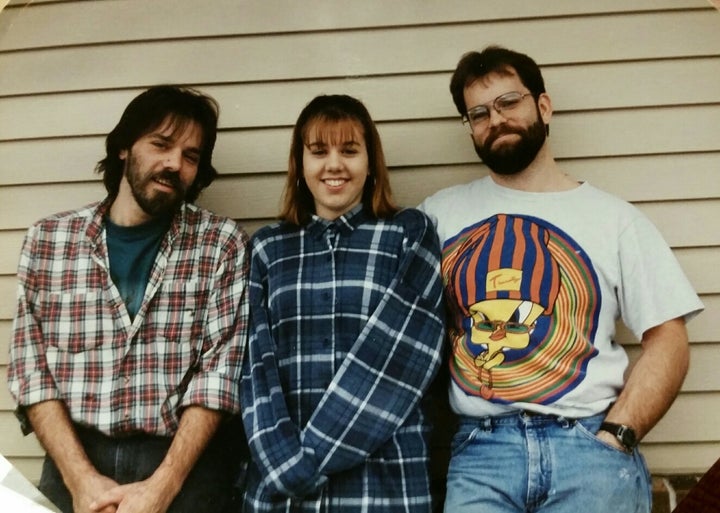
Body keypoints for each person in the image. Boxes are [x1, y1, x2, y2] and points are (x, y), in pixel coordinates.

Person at [418, 46, 704, 513]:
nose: (496, 119)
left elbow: (668, 338)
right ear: (469, 128)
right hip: (480, 454)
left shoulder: (614, 219)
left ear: (543, 107)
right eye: (479, 113)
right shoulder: (437, 216)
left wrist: (618, 434)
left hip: (588, 448)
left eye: (509, 102)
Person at [7, 85, 249, 513]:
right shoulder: (49, 242)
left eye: (191, 156)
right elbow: (32, 372)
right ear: (124, 148)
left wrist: (161, 489)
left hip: (182, 462)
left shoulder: (221, 244)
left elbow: (219, 376)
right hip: (76, 456)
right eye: (161, 144)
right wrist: (81, 481)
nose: (175, 163)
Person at [240, 94, 446, 512]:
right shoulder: (267, 249)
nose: (334, 165)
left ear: (371, 162)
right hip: (283, 486)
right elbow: (254, 369)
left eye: (349, 150)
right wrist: (283, 465)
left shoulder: (408, 236)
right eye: (319, 152)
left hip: (385, 482)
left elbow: (402, 361)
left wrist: (306, 461)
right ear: (300, 165)